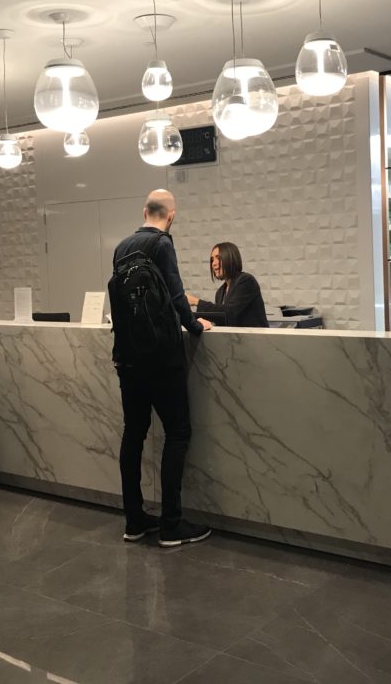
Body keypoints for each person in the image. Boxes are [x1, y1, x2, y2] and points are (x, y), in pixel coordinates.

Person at [111, 189, 213, 548]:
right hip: (161, 360)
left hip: (127, 359)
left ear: (144, 211)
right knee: (179, 432)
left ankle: (134, 519)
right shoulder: (163, 244)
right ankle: (172, 523)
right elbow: (175, 295)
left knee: (133, 434)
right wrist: (196, 325)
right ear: (171, 216)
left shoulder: (122, 247)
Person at [186, 242, 269, 328]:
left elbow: (229, 313)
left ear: (230, 259)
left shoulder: (246, 281)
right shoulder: (220, 292)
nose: (213, 263)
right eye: (212, 259)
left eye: (218, 258)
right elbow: (222, 319)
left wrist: (196, 302)